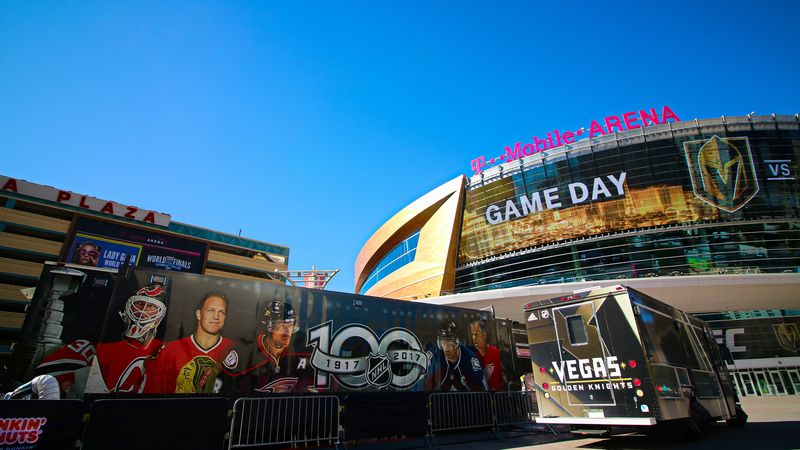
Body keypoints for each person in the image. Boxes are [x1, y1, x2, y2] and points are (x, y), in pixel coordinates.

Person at [84, 282, 168, 393]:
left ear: (160, 314)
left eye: (151, 306)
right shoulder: (100, 345)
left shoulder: (163, 350)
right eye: (140, 303)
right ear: (128, 306)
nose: (143, 309)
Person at [144, 292, 234, 393]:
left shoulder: (231, 349)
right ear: (199, 314)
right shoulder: (171, 350)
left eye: (222, 312)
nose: (216, 317)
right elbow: (154, 393)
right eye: (210, 310)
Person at [220, 299, 314, 393]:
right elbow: (227, 389)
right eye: (282, 326)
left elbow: (312, 384)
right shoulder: (244, 352)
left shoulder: (302, 346)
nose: (287, 332)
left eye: (290, 325)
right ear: (269, 327)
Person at [426, 321, 488, 392]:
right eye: (443, 343)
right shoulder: (434, 355)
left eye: (450, 343)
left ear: (457, 342)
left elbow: (482, 388)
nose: (446, 349)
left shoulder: (470, 359)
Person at [469, 320, 507, 391]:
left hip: (499, 394)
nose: (474, 338)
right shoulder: (474, 358)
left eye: (476, 334)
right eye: (472, 335)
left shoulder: (496, 352)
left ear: (484, 335)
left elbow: (505, 373)